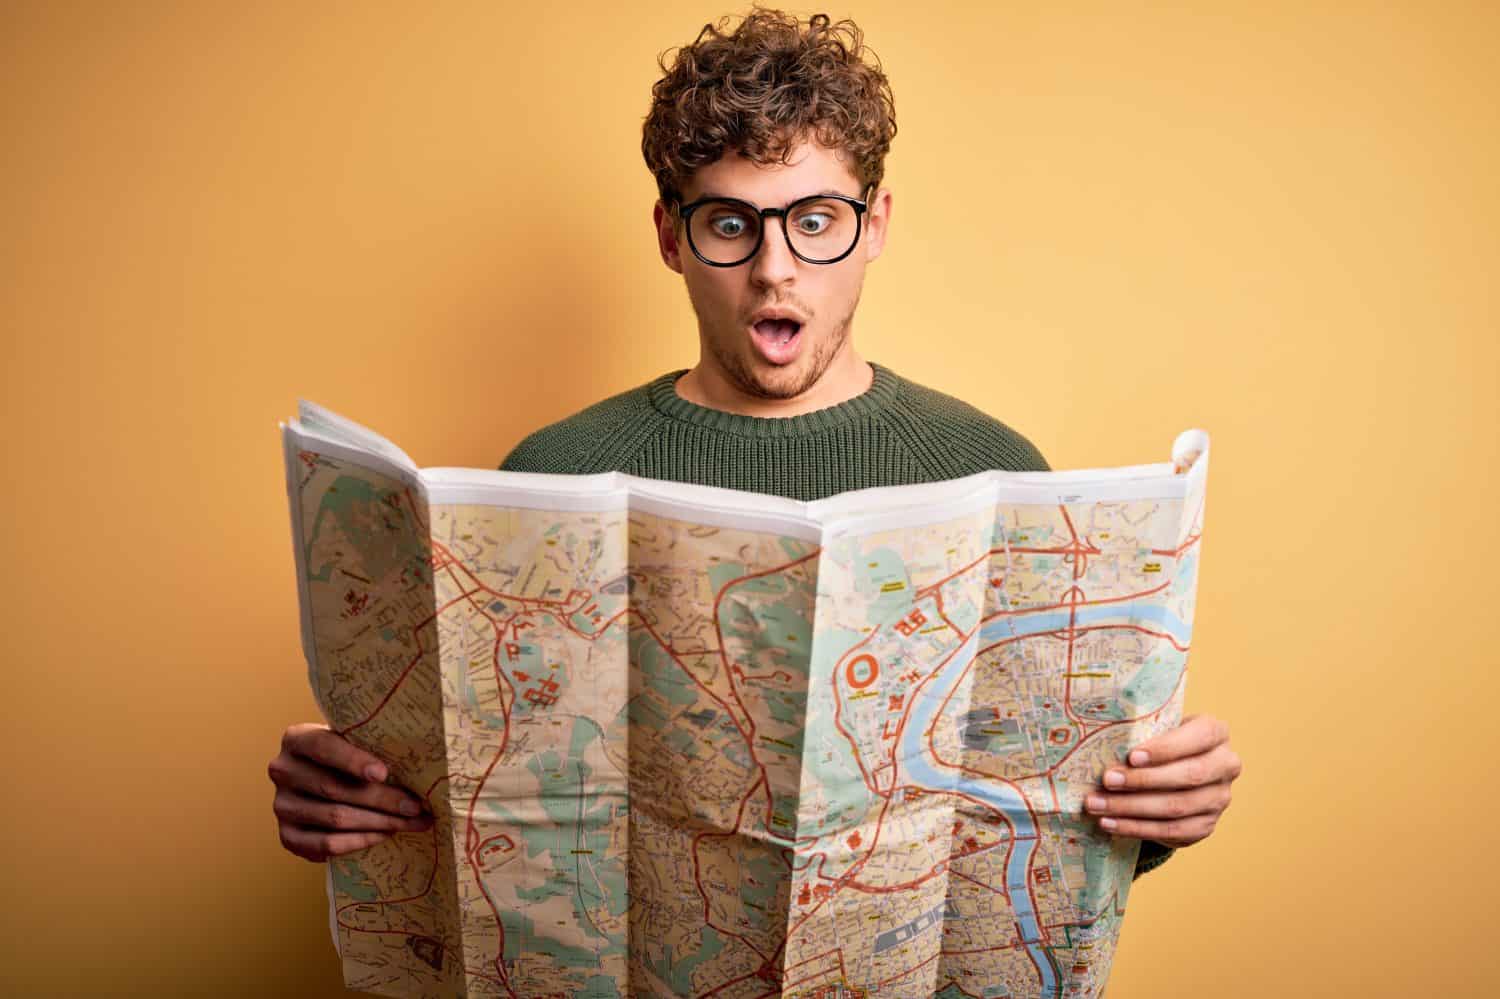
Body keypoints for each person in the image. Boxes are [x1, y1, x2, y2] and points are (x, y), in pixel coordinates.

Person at [270, 5, 1239, 895]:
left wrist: (1155, 814)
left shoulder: (992, 469)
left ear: (875, 227)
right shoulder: (554, 475)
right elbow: (491, 814)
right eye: (730, 224)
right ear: (670, 236)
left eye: (816, 221)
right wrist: (356, 801)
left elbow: (1030, 809)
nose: (775, 270)